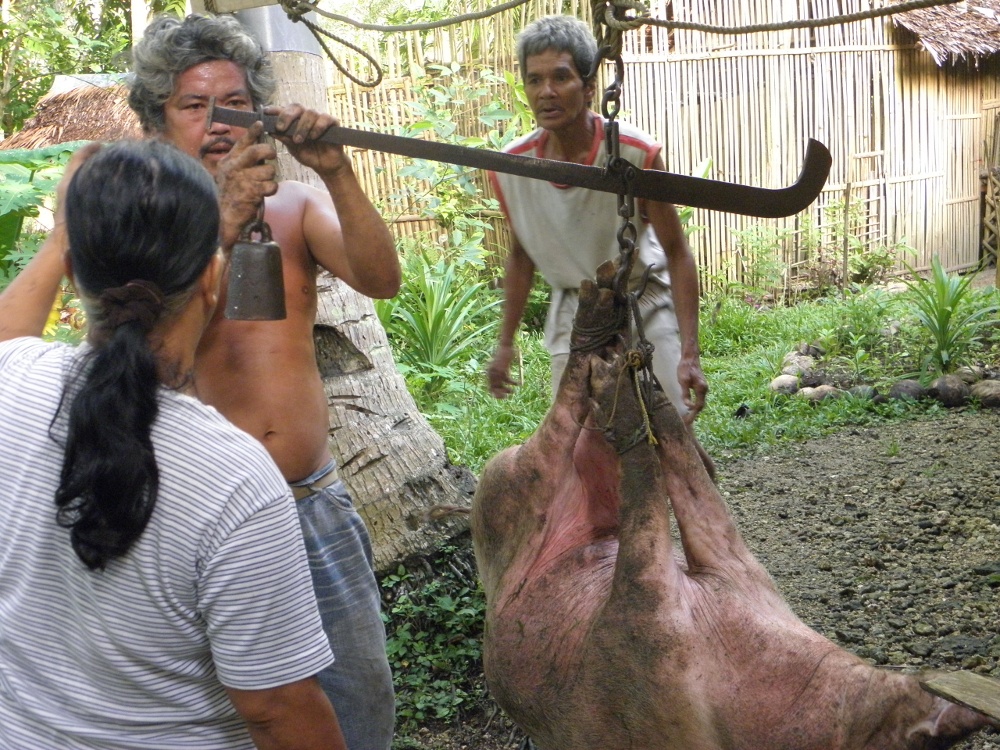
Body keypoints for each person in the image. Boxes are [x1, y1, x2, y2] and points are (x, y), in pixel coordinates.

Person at [0, 139, 346, 750]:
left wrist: (63, 237)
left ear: (75, 273)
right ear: (214, 278)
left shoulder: (14, 386)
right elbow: (274, 709)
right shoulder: (235, 479)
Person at [126, 13, 400, 750]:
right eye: (195, 105)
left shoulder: (296, 205)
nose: (220, 122)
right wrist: (219, 218)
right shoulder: (139, 222)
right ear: (158, 121)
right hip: (205, 520)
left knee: (357, 704)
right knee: (234, 715)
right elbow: (139, 340)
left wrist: (337, 169)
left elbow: (382, 278)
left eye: (236, 103)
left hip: (313, 503)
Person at [486, 15, 709, 427]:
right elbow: (520, 256)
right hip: (573, 312)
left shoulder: (635, 154)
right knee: (575, 439)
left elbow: (677, 252)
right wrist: (505, 343)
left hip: (640, 303)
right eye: (534, 81)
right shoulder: (512, 167)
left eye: (560, 77)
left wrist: (689, 353)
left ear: (589, 87)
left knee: (669, 428)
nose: (546, 92)